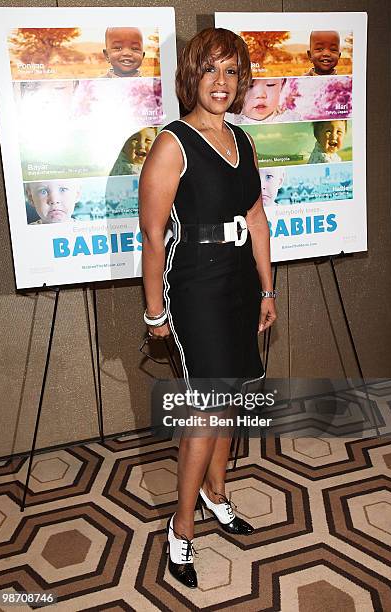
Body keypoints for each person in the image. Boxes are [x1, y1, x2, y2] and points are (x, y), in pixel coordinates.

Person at [139, 27, 277, 589]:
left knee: (231, 400)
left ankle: (218, 495)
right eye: (209, 70)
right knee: (208, 409)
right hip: (194, 288)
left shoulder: (243, 141)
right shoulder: (173, 142)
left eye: (230, 71)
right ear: (190, 76)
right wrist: (155, 315)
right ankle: (181, 530)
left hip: (241, 284)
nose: (220, 82)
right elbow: (151, 236)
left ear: (240, 81)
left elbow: (257, 216)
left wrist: (267, 289)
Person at [234, 78, 300, 123]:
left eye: (270, 84)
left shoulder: (290, 118)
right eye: (249, 86)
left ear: (282, 84)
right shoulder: (232, 120)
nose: (260, 95)